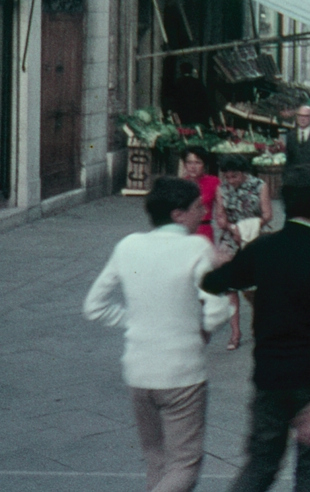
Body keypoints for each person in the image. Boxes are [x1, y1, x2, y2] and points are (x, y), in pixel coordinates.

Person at [84, 176, 234, 492]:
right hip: (182, 372)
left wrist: (136, 319)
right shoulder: (196, 246)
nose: (203, 211)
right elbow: (218, 308)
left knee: (157, 459)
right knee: (184, 464)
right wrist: (200, 330)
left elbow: (94, 306)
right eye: (197, 207)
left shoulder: (128, 245)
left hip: (138, 370)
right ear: (178, 214)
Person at [200, 166, 310, 492]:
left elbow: (216, 282)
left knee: (261, 464)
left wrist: (221, 261)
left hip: (269, 375)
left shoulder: (263, 248)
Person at [213, 154, 273, 351]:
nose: (231, 181)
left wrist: (247, 227)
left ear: (244, 173)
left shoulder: (259, 186)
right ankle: (235, 332)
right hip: (230, 238)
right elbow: (220, 217)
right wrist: (232, 228)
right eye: (228, 177)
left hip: (253, 238)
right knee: (230, 287)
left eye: (235, 176)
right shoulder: (222, 189)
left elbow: (267, 215)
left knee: (253, 288)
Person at [178, 148, 218, 241]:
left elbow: (222, 208)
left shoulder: (213, 182)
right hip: (183, 230)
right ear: (184, 165)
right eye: (189, 163)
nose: (193, 167)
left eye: (198, 163)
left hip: (204, 229)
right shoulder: (180, 184)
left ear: (204, 165)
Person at [164, 61, 214, 127]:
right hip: (196, 114)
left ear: (181, 71)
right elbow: (205, 99)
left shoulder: (177, 83)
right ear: (191, 71)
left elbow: (172, 99)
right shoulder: (198, 83)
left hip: (182, 114)